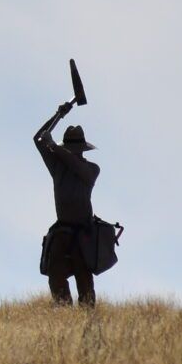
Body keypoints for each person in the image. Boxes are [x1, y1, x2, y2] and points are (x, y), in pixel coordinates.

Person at [34, 99, 119, 307]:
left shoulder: (91, 169)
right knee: (55, 275)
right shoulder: (58, 166)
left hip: (85, 231)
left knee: (84, 278)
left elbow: (75, 164)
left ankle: (87, 316)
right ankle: (63, 312)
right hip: (62, 230)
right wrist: (58, 115)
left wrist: (54, 146)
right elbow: (38, 139)